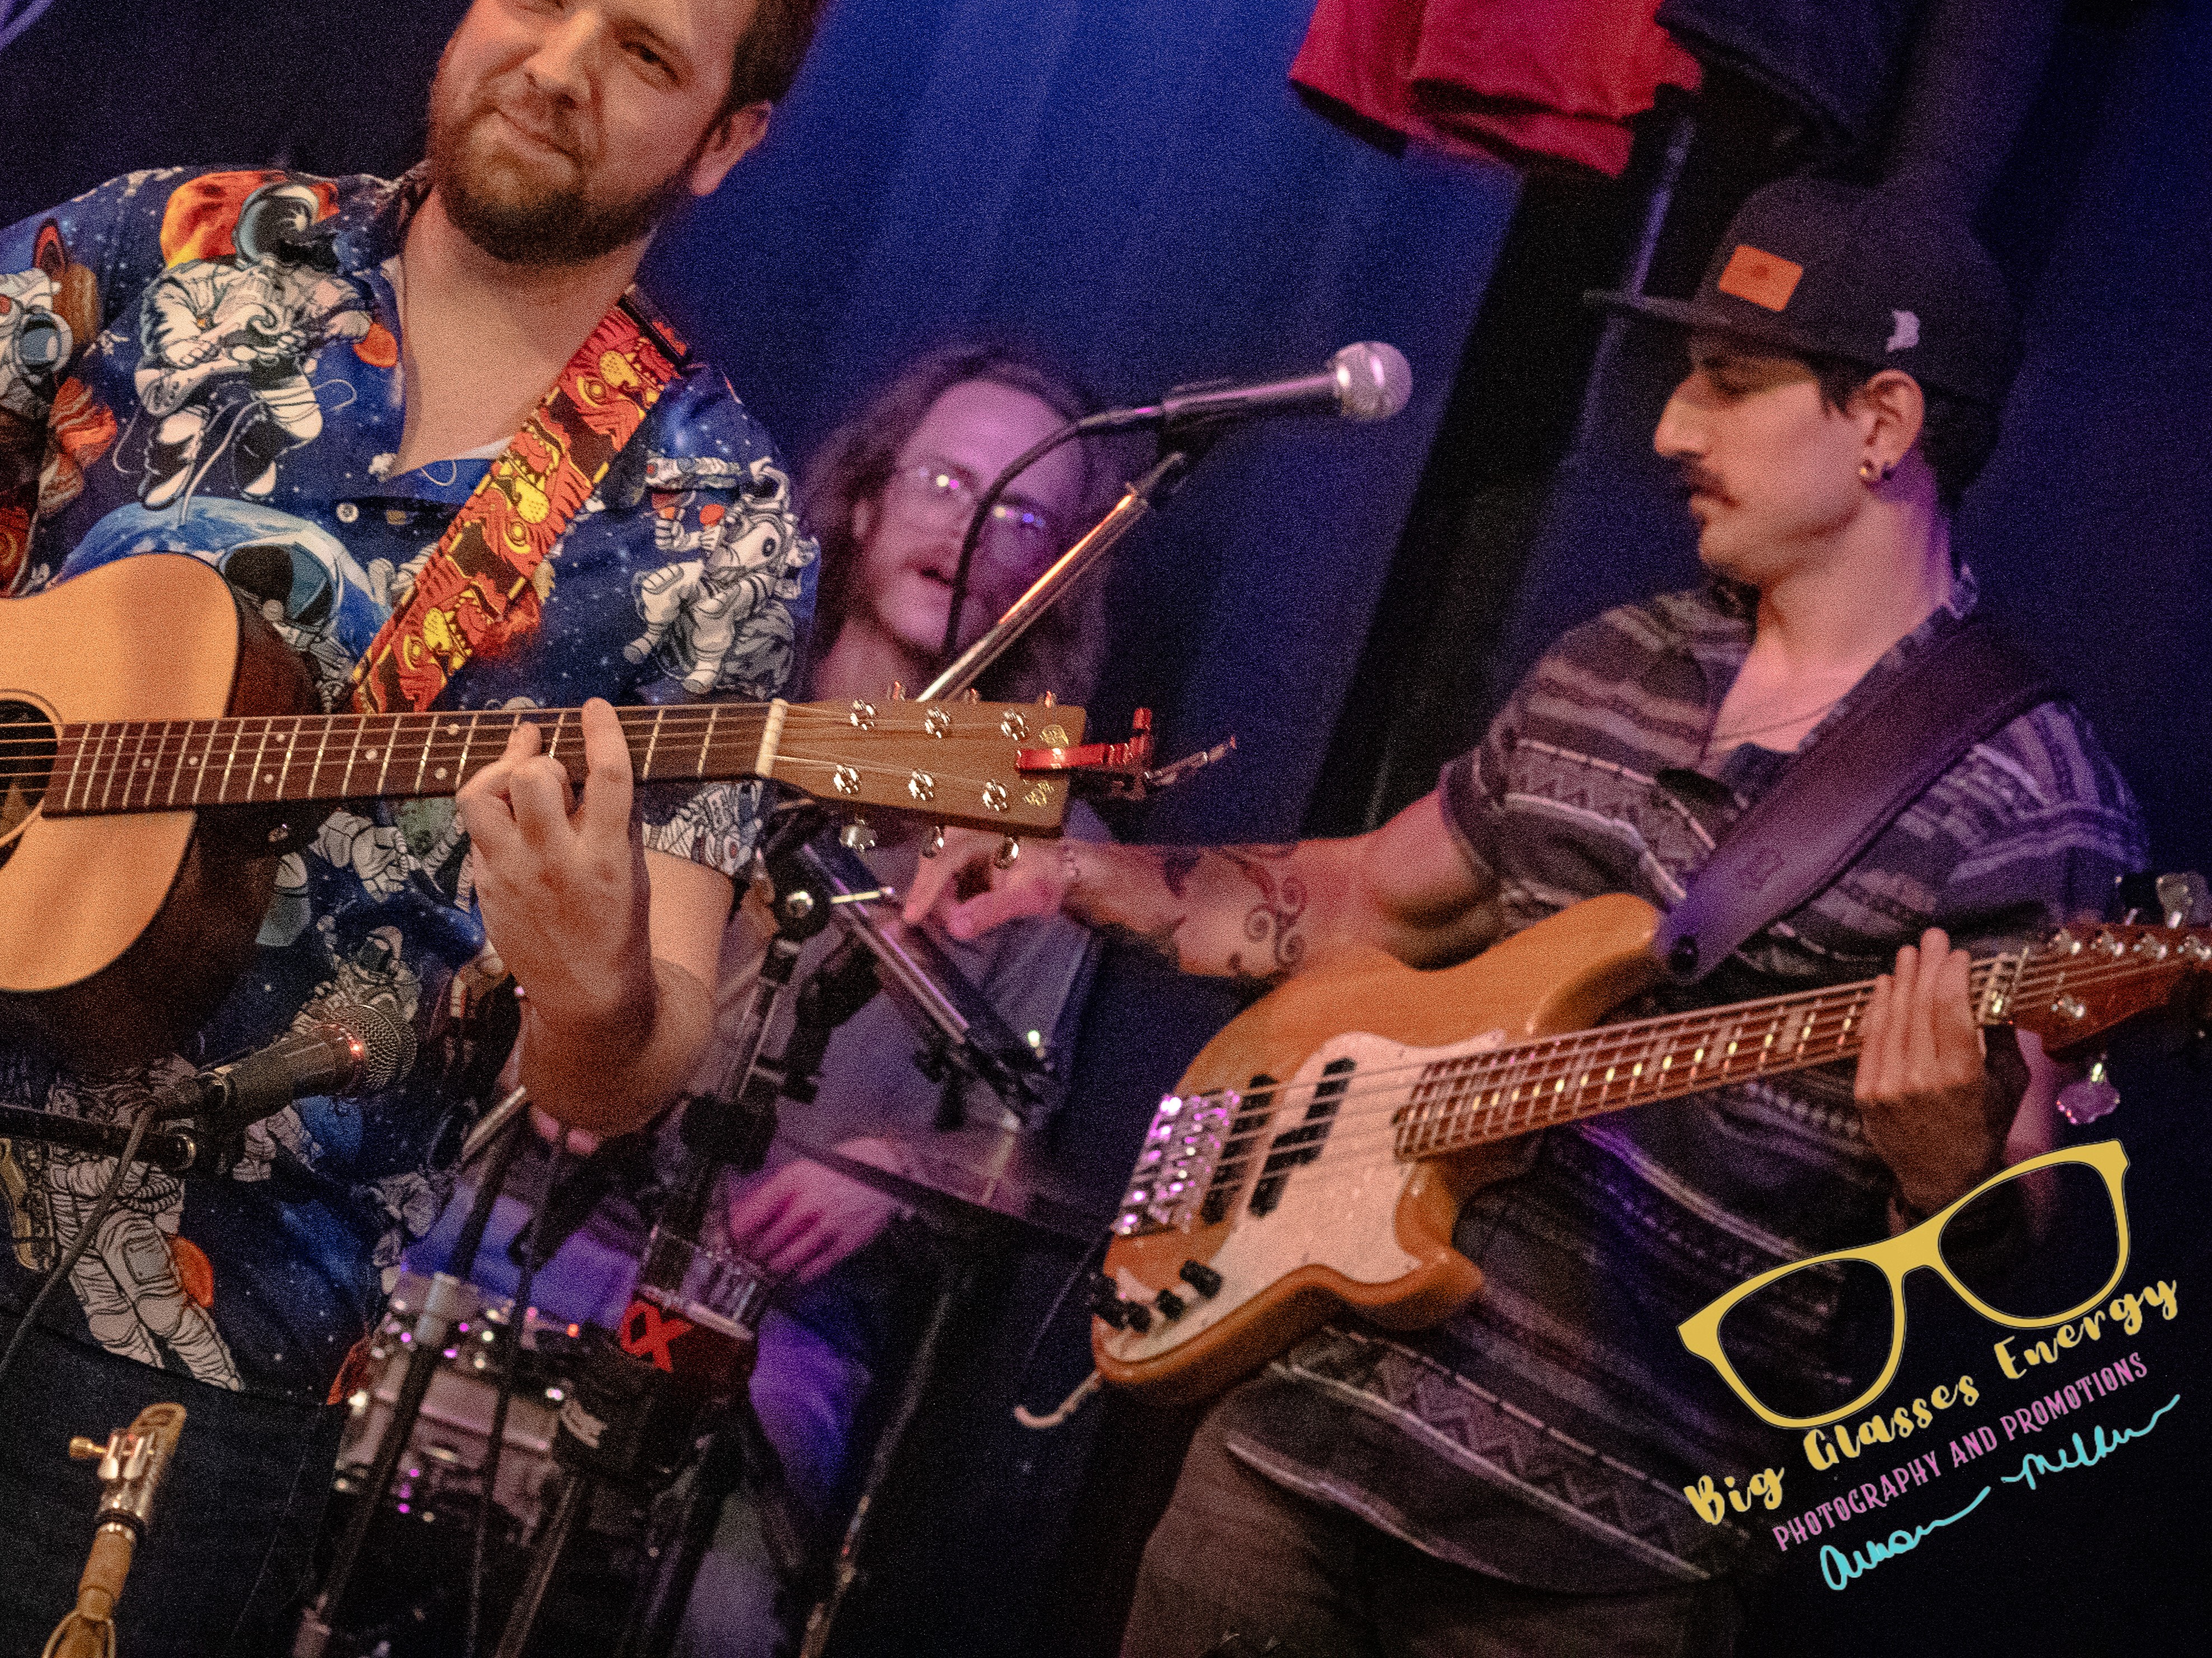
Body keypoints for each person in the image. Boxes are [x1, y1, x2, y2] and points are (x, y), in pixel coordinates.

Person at [909, 178, 2146, 1658]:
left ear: (1881, 421)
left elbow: (2022, 1229)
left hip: (1597, 1573)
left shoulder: (2030, 798)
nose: (1670, 427)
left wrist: (1949, 1170)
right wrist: (1079, 873)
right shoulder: (1613, 661)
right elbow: (1369, 897)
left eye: (1727, 381)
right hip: (1288, 1456)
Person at [0, 0, 841, 1655]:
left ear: (731, 138)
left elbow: (623, 1068)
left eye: (646, 54)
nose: (560, 65)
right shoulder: (169, 247)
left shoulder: (709, 527)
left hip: (192, 1339)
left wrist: (593, 983)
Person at [673, 345, 1119, 1656]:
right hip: (537, 1233)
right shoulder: (705, 718)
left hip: (764, 1334)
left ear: (1054, 576)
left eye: (1021, 513)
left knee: (719, 1604)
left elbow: (1018, 1146)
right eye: (943, 482)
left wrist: (898, 1170)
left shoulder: (1041, 848)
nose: (970, 529)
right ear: (863, 503)